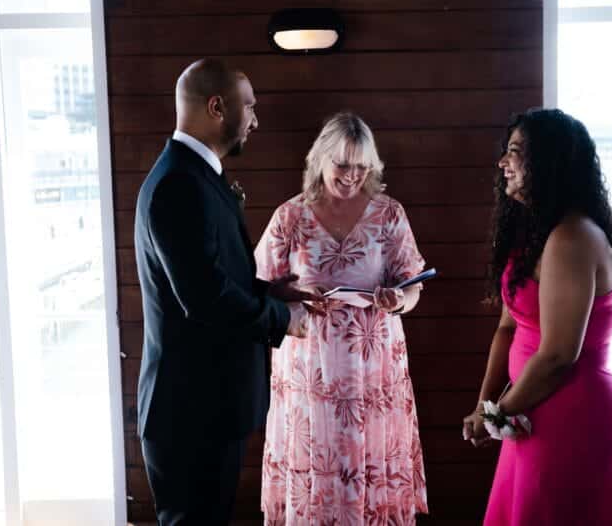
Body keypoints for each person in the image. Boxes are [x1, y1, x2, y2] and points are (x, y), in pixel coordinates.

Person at [134, 58, 317, 525]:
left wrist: (270, 292)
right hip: (188, 413)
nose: (255, 119)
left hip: (206, 407)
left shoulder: (196, 175)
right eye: (249, 106)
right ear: (217, 107)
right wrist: (281, 319)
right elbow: (205, 299)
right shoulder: (178, 184)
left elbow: (212, 276)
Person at [462, 109, 612, 525]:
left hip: (571, 418)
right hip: (529, 411)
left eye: (516, 153)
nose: (503, 163)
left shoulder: (572, 237)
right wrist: (486, 406)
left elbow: (559, 354)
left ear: (549, 162)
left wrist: (495, 416)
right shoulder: (538, 235)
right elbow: (508, 327)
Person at [255, 112, 429, 524]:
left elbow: (414, 285)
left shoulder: (389, 214)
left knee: (366, 462)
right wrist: (293, 293)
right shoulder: (290, 217)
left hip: (373, 370)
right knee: (317, 457)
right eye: (342, 164)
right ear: (321, 159)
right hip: (309, 369)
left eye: (361, 166)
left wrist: (398, 299)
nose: (352, 175)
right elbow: (259, 286)